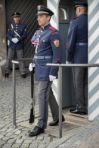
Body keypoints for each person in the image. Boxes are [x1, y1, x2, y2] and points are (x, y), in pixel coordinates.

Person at [29, 5, 64, 137]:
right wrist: (33, 62)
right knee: (47, 95)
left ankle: (40, 125)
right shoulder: (38, 32)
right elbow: (37, 50)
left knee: (41, 94)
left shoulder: (53, 33)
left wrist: (53, 72)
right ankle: (58, 116)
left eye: (41, 16)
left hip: (47, 69)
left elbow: (57, 55)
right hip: (39, 67)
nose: (38, 18)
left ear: (48, 18)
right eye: (38, 16)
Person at [66, 2, 88, 115]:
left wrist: (68, 57)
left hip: (78, 57)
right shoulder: (92, 20)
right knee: (86, 82)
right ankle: (89, 105)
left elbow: (70, 43)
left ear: (79, 10)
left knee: (78, 82)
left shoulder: (75, 22)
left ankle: (81, 107)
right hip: (91, 57)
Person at [6, 12, 27, 78]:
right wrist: (11, 39)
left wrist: (19, 39)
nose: (16, 18)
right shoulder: (10, 26)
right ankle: (7, 71)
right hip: (12, 45)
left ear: (19, 18)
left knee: (21, 58)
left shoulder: (23, 26)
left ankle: (23, 72)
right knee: (9, 58)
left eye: (17, 17)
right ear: (13, 18)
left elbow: (25, 35)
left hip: (19, 45)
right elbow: (8, 34)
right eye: (15, 17)